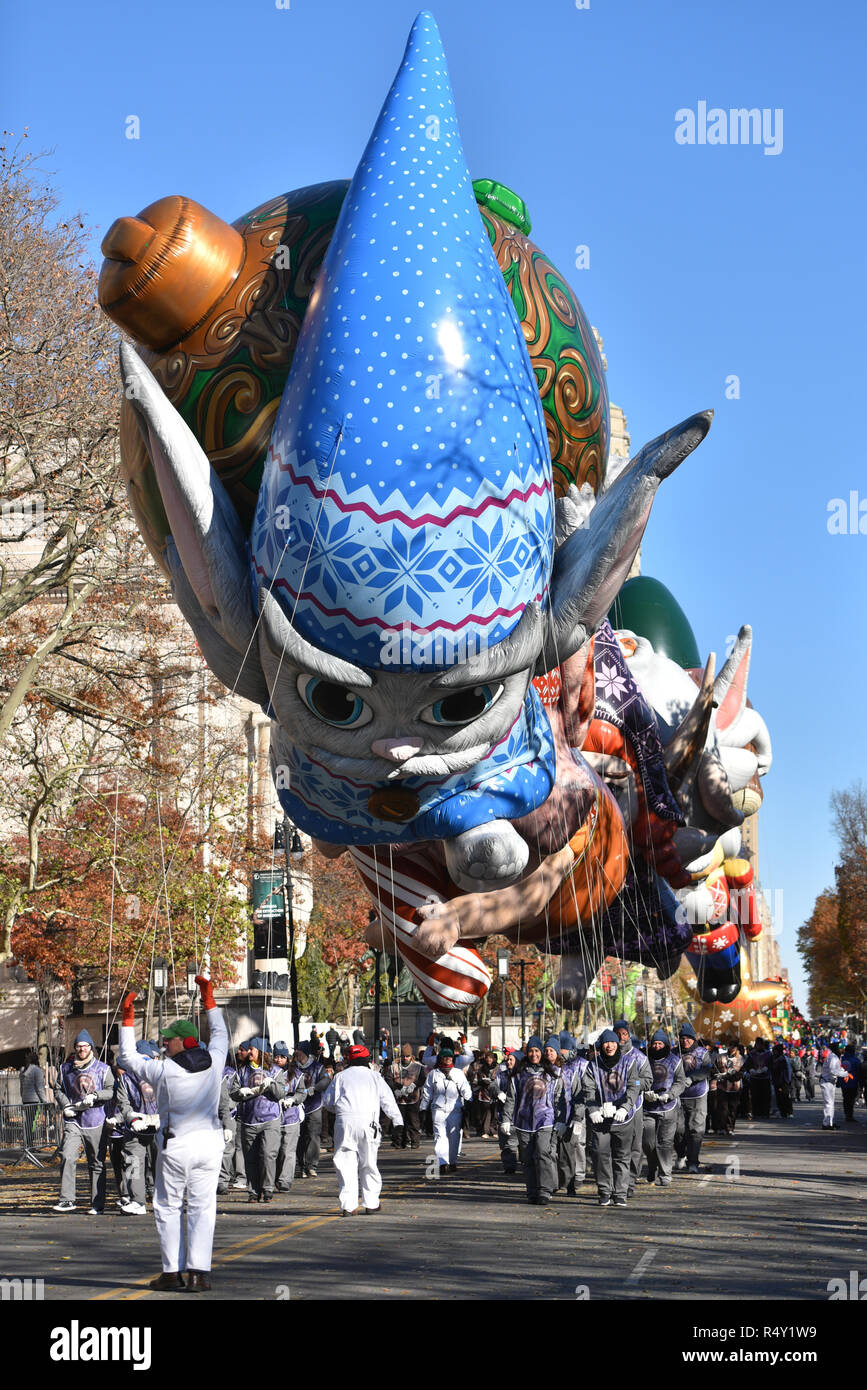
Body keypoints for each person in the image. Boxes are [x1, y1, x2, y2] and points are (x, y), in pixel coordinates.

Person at [117, 978, 228, 1291]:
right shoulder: (215, 1063)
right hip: (210, 1144)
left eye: (169, 1040)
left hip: (177, 1145)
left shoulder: (163, 1069)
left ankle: (171, 1273)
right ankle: (198, 1274)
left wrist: (128, 1020)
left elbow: (126, 1058)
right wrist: (209, 1003)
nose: (164, 1044)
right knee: (203, 1207)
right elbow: (220, 1035)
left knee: (168, 1206)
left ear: (184, 1042)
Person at [324, 1044, 403, 1214]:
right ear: (367, 1059)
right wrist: (398, 1121)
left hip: (345, 1123)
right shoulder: (375, 1077)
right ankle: (371, 1202)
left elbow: (328, 1102)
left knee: (345, 1164)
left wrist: (340, 1111)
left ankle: (348, 1205)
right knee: (369, 1163)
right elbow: (387, 1101)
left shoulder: (340, 1077)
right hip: (368, 1123)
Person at [53, 1029, 114, 1214]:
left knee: (96, 1162)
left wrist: (96, 1096)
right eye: (79, 1046)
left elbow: (111, 1090)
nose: (82, 1049)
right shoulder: (65, 1069)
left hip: (96, 1119)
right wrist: (65, 1105)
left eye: (85, 1046)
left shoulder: (103, 1069)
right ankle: (67, 1200)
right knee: (67, 1155)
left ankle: (97, 1203)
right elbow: (58, 1089)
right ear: (75, 1048)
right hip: (74, 1120)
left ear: (91, 1048)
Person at [502, 1036, 565, 1206]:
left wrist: (561, 1119)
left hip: (545, 1120)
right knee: (527, 1158)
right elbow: (511, 1098)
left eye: (537, 1050)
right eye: (530, 1051)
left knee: (543, 1153)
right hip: (523, 1122)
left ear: (541, 1052)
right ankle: (532, 1191)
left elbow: (559, 1097)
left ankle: (545, 1190)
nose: (534, 1054)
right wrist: (506, 1119)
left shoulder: (553, 1073)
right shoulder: (518, 1075)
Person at [582, 1029, 639, 1208]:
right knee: (600, 1154)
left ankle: (620, 1193)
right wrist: (593, 1109)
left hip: (623, 1119)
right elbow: (587, 1089)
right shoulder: (593, 1065)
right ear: (601, 1045)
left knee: (622, 1156)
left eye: (613, 1042)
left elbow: (634, 1087)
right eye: (606, 1042)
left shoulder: (629, 1063)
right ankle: (605, 1190)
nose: (610, 1045)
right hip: (601, 1119)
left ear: (618, 1044)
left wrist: (625, 1107)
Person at [230, 1040, 285, 1203]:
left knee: (268, 1154)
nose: (250, 1052)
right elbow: (233, 1093)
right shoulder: (241, 1071)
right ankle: (253, 1191)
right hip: (248, 1120)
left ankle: (267, 1189)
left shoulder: (275, 1071)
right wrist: (240, 1092)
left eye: (253, 1049)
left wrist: (272, 1085)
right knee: (250, 1157)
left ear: (261, 1051)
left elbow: (281, 1094)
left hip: (270, 1119)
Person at [107, 1049, 160, 1213]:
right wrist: (133, 1119)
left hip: (160, 1128)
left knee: (162, 1165)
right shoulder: (126, 1078)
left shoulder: (162, 1075)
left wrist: (161, 1117)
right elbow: (124, 1103)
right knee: (133, 1162)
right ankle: (137, 1201)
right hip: (135, 1130)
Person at [642, 1030, 687, 1187]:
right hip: (647, 1108)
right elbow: (633, 1081)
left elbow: (681, 1082)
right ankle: (652, 1166)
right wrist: (643, 1091)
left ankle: (665, 1174)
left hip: (668, 1107)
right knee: (648, 1143)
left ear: (666, 1045)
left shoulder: (675, 1061)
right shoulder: (644, 1060)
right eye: (654, 1043)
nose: (657, 1046)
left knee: (665, 1142)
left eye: (660, 1043)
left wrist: (670, 1094)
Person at [613, 1020, 651, 1196]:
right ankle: (616, 1181)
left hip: (634, 1107)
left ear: (629, 1035)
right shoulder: (607, 1055)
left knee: (635, 1146)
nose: (621, 1037)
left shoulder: (639, 1057)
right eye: (618, 1033)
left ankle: (630, 1181)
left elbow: (647, 1080)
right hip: (611, 1107)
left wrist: (632, 1083)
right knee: (614, 1147)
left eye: (624, 1034)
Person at [419, 1046, 472, 1173]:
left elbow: (466, 1089)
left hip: (455, 1110)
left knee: (454, 1137)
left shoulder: (458, 1073)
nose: (448, 1059)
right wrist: (423, 1108)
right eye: (445, 1056)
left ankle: (453, 1162)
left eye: (450, 1056)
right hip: (438, 1110)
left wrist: (469, 1101)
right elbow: (427, 1092)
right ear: (440, 1058)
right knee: (440, 1137)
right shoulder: (433, 1074)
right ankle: (442, 1163)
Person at [674, 1022, 713, 1172]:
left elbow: (707, 1070)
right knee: (678, 1130)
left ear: (693, 1038)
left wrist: (693, 1078)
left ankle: (693, 1162)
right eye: (682, 1038)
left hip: (698, 1095)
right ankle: (681, 1154)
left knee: (695, 1130)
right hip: (678, 1096)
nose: (685, 1041)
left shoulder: (702, 1053)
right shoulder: (674, 1052)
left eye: (688, 1038)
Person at [557, 1033, 589, 1196]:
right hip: (559, 1113)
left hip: (578, 1110)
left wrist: (580, 1113)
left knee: (578, 1143)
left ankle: (578, 1174)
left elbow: (586, 1089)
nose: (561, 1053)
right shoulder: (557, 1066)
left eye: (563, 1050)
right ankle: (561, 1177)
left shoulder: (582, 1065)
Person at [272, 1041, 307, 1191]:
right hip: (272, 1117)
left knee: (287, 1150)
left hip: (291, 1117)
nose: (279, 1060)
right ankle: (272, 1179)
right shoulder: (268, 1073)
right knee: (273, 1151)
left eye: (282, 1057)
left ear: (288, 1058)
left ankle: (285, 1180)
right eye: (276, 1056)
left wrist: (293, 1100)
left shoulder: (297, 1075)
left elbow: (302, 1093)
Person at [295, 1042, 331, 1177]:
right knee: (299, 1137)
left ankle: (311, 1166)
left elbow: (326, 1081)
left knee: (312, 1135)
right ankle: (302, 1165)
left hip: (314, 1105)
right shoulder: (293, 1067)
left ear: (304, 1052)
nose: (296, 1054)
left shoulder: (317, 1067)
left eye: (298, 1051)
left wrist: (314, 1088)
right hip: (298, 1106)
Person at [387, 1042, 424, 1149]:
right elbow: (389, 1079)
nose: (405, 1058)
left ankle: (415, 1142)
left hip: (413, 1098)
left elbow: (422, 1079)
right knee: (399, 1121)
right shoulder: (394, 1067)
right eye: (403, 1056)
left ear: (411, 1056)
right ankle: (399, 1142)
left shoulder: (417, 1067)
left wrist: (414, 1085)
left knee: (413, 1121)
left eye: (407, 1056)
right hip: (399, 1098)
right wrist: (396, 1089)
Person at [489, 1049, 520, 1173]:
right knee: (506, 1144)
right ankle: (509, 1167)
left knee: (523, 1145)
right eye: (508, 1059)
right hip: (504, 1114)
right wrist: (498, 1092)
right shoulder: (502, 1074)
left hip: (521, 1115)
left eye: (511, 1060)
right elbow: (492, 1085)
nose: (508, 1062)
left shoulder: (523, 1076)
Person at [19, 1049, 47, 1152]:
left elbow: (21, 1087)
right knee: (32, 1123)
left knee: (28, 1123)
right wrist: (45, 1101)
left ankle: (28, 1144)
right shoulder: (37, 1071)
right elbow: (40, 1088)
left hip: (25, 1099)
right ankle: (30, 1146)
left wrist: (22, 1097)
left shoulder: (22, 1070)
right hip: (34, 1100)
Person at [820, 1042, 850, 1129]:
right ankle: (826, 1124)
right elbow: (833, 1071)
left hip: (831, 1082)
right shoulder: (833, 1057)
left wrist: (845, 1073)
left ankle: (830, 1122)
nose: (843, 1050)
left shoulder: (836, 1057)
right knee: (828, 1104)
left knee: (831, 1104)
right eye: (842, 1048)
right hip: (827, 1082)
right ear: (838, 1049)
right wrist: (845, 1074)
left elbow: (838, 1069)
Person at [771, 1044, 794, 1119]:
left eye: (775, 1051)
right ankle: (783, 1112)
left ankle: (789, 1112)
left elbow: (788, 1071)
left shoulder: (783, 1059)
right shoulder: (775, 1059)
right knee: (779, 1097)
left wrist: (787, 1081)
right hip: (776, 1081)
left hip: (783, 1082)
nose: (774, 1052)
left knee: (785, 1097)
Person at [840, 1043, 860, 1123]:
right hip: (853, 1082)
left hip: (844, 1082)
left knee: (845, 1099)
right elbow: (859, 1072)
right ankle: (850, 1115)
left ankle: (847, 1115)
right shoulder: (856, 1060)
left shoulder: (842, 1059)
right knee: (851, 1099)